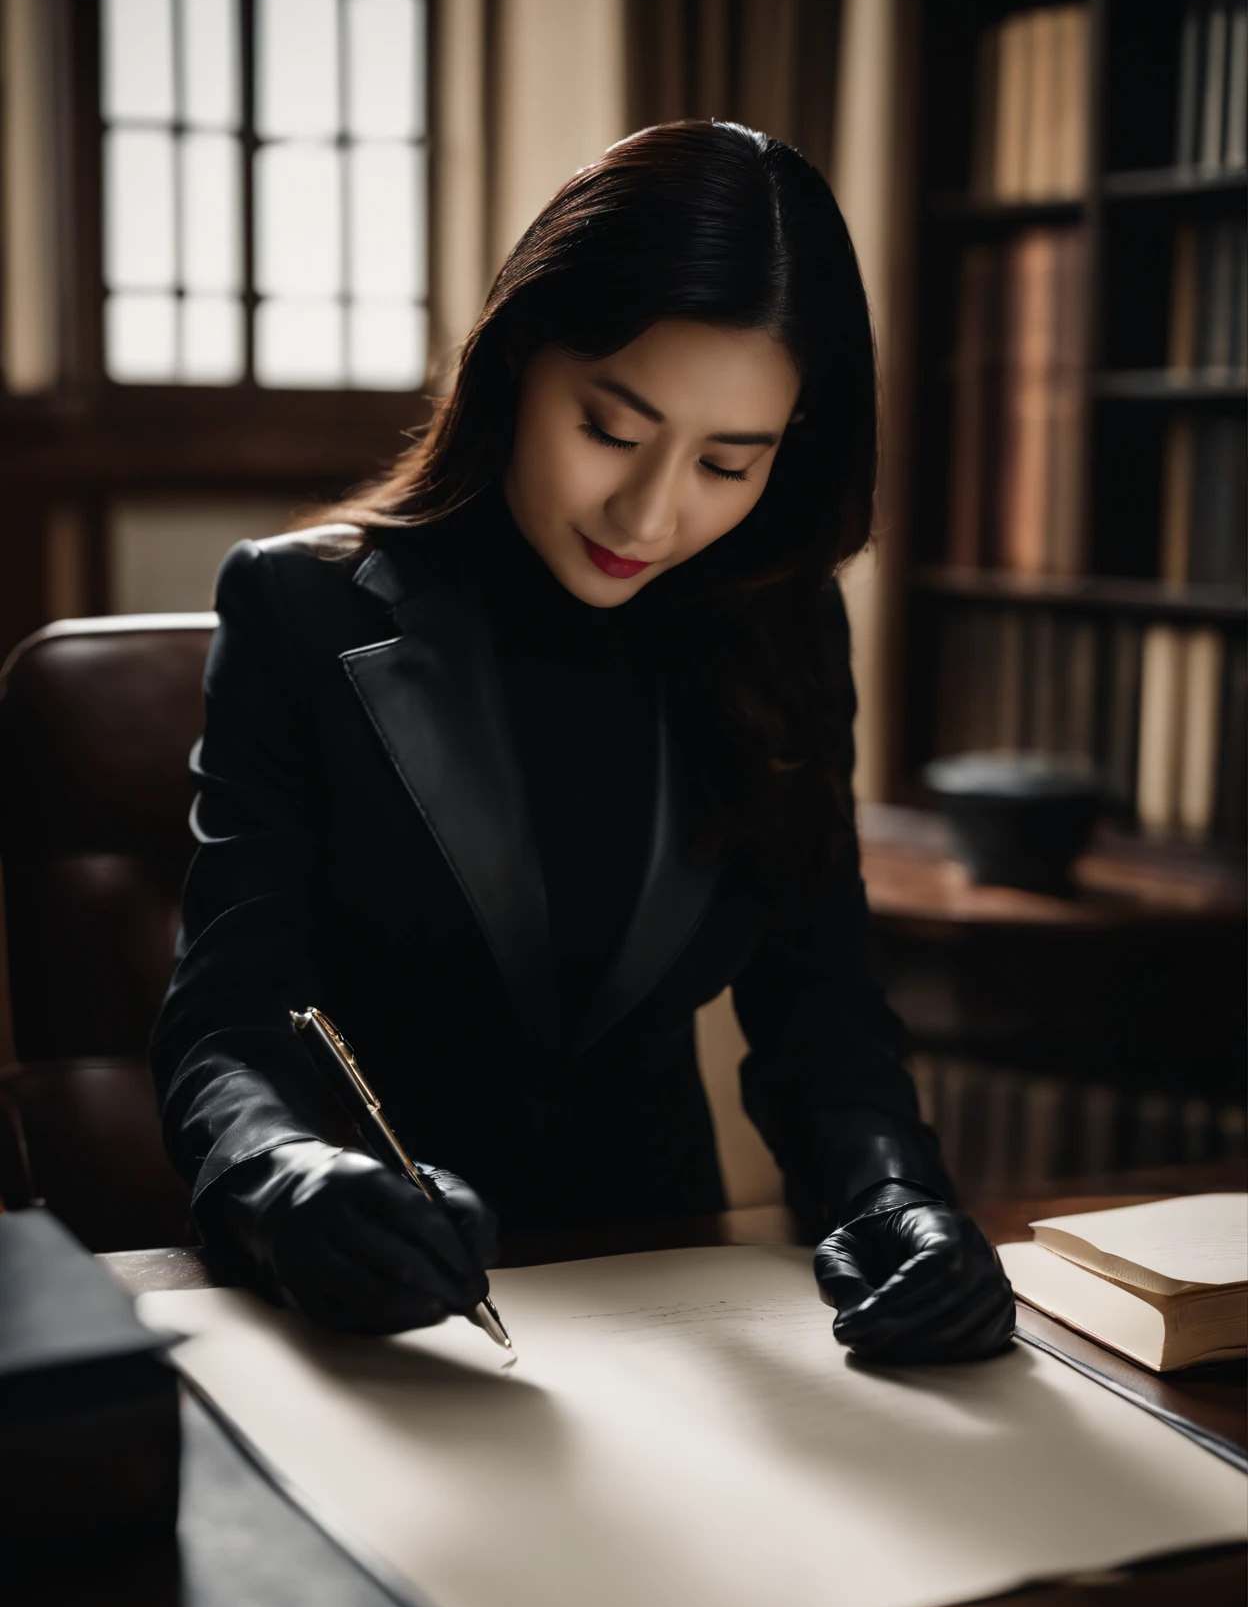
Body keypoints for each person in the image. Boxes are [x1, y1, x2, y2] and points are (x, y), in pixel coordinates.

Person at [150, 120, 1014, 1364]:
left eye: (730, 461)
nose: (652, 515)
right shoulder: (299, 610)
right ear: (514, 362)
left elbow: (820, 1007)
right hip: (366, 1310)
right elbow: (227, 1020)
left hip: (680, 1319)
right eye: (610, 430)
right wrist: (288, 1182)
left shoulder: (780, 626)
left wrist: (895, 1195)